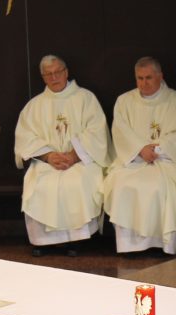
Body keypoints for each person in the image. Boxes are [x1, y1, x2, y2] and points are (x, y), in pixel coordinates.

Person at [14, 55, 110, 256]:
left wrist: (75, 154)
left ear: (66, 72)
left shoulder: (86, 99)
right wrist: (48, 156)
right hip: (48, 163)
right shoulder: (34, 105)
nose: (54, 77)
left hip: (80, 160)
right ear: (43, 77)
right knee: (41, 184)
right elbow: (25, 137)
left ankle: (76, 240)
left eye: (57, 72)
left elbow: (96, 132)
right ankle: (42, 241)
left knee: (76, 182)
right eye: (48, 74)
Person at [102, 56, 176, 255]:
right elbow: (120, 130)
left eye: (149, 78)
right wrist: (140, 150)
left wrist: (157, 150)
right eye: (140, 78)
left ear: (160, 76)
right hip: (133, 160)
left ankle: (163, 244)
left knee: (161, 187)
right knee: (122, 185)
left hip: (166, 160)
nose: (144, 83)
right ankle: (130, 245)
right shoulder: (124, 101)